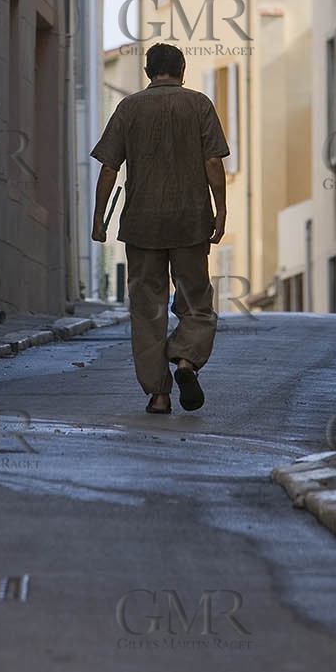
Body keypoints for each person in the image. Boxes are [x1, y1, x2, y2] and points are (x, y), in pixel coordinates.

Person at [91, 43, 229, 414]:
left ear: (149, 71)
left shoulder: (128, 108)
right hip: (190, 221)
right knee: (196, 303)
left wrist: (98, 219)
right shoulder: (199, 104)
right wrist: (220, 209)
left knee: (147, 309)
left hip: (141, 226)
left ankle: (158, 394)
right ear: (182, 69)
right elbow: (213, 160)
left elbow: (108, 168)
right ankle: (186, 359)